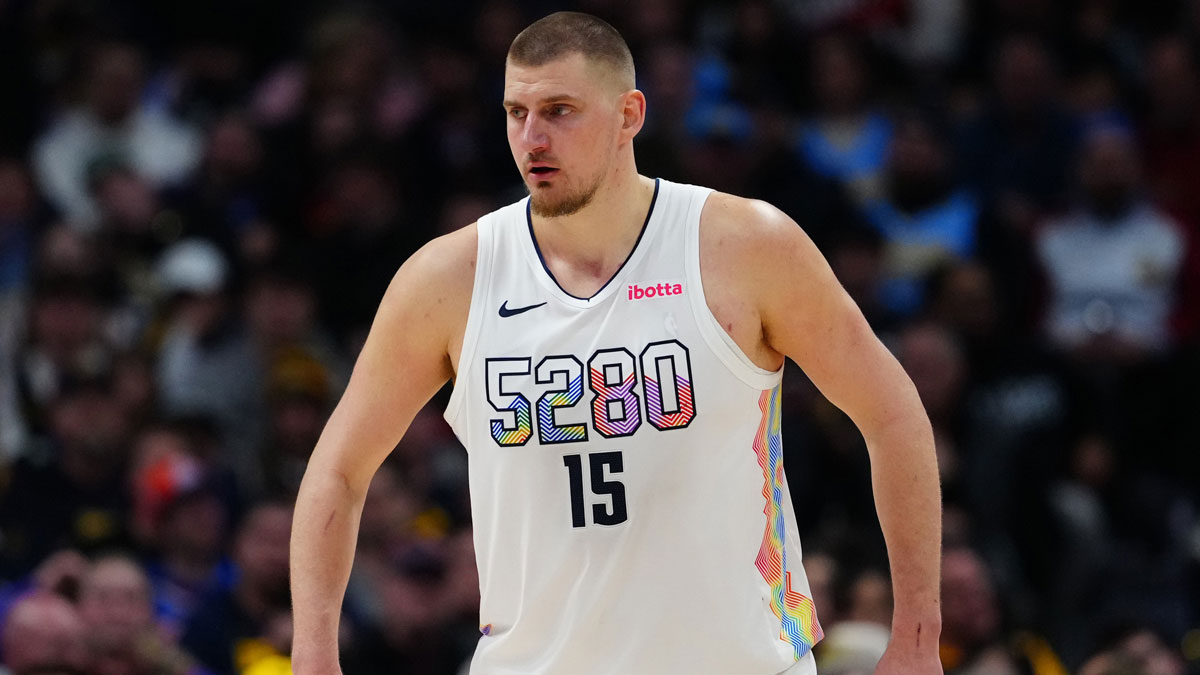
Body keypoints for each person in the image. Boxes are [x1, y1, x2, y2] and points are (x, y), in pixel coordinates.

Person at [291, 12, 942, 675]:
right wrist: (313, 658)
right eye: (516, 112)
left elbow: (892, 415)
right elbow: (338, 470)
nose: (531, 137)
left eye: (559, 111)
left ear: (630, 114)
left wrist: (917, 639)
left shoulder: (745, 247)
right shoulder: (448, 279)